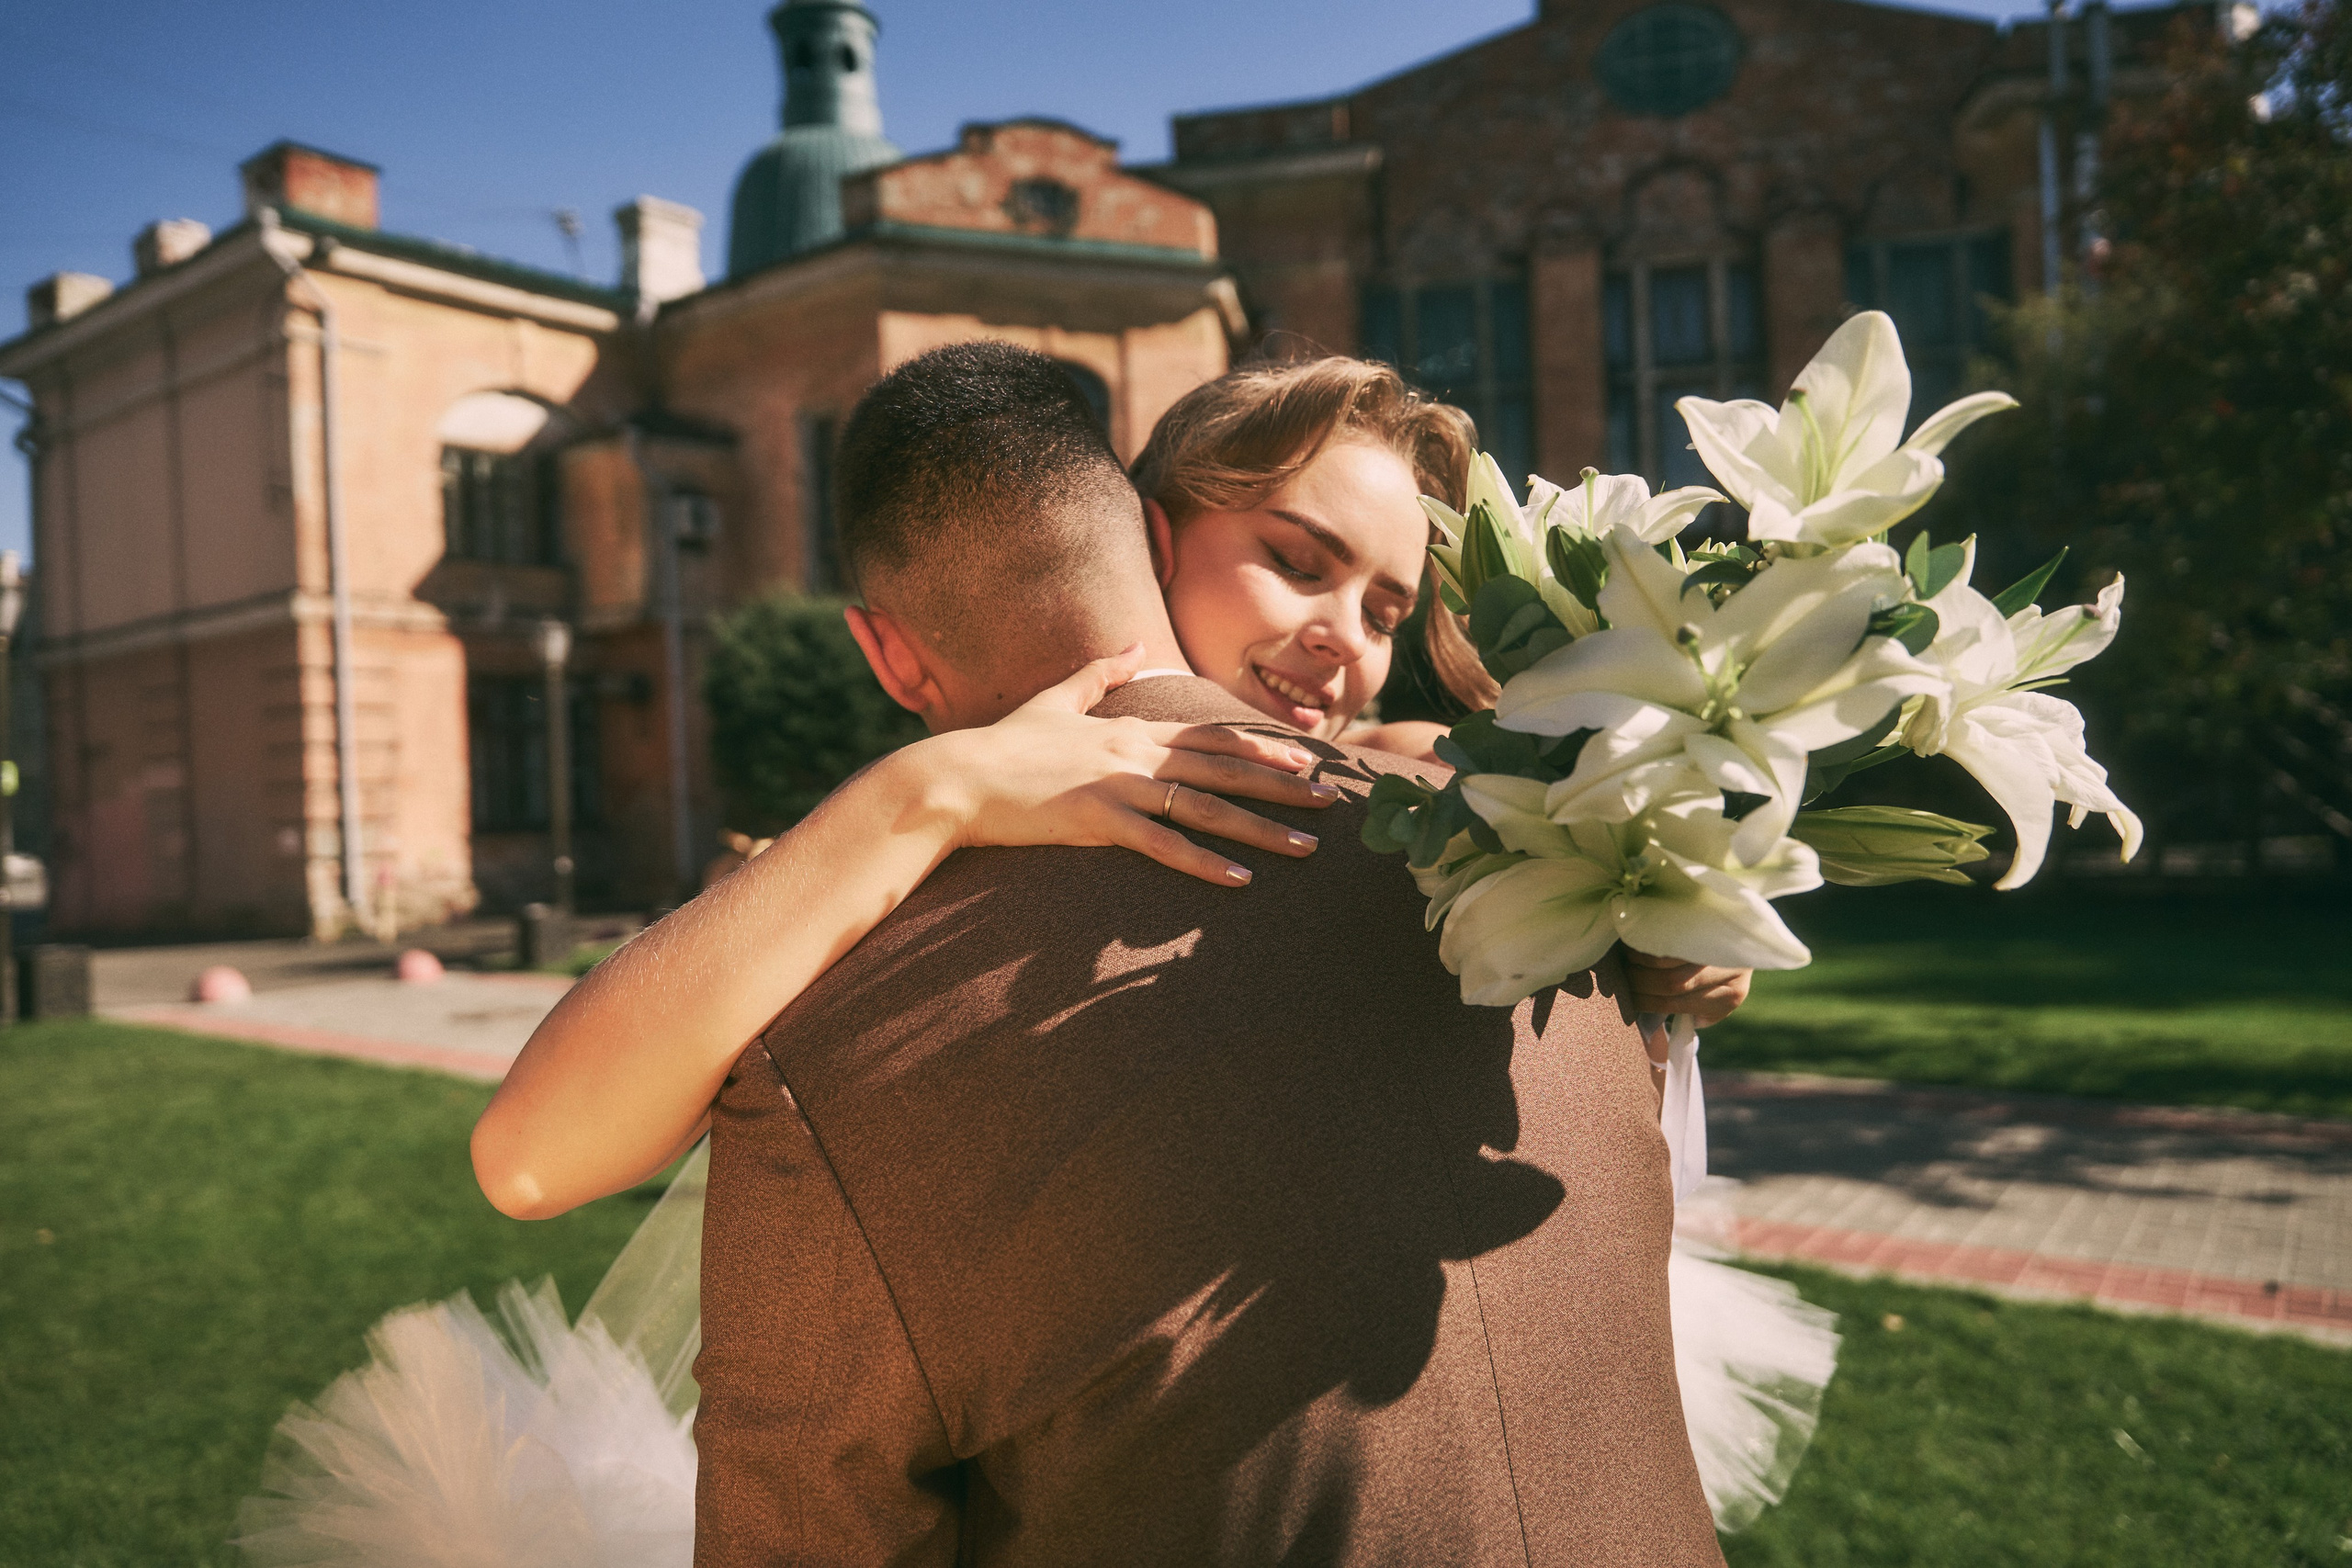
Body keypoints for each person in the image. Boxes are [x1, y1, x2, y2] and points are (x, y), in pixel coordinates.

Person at [238, 351, 1828, 1566]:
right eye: (1296, 559)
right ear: (1152, 531)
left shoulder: (1511, 850)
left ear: (884, 651)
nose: (1344, 640)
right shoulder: (1510, 863)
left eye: (1387, 606)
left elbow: (539, 1178)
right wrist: (926, 795)